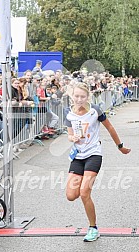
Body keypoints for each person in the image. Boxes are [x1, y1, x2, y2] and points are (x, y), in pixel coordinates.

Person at [65, 82, 131, 242]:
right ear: (72, 96)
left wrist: (120, 146)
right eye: (76, 96)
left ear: (87, 97)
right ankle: (92, 226)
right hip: (77, 156)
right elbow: (69, 134)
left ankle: (93, 228)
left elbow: (109, 127)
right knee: (71, 195)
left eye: (82, 96)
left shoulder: (95, 110)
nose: (79, 99)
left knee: (84, 193)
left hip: (94, 154)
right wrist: (72, 137)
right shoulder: (68, 113)